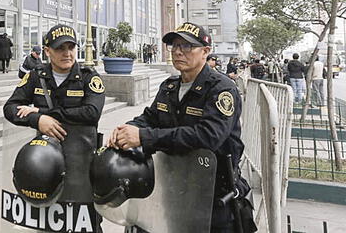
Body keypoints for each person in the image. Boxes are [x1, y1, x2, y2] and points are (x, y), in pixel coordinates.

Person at [107, 22, 256, 232]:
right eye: (174, 46)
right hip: (172, 188)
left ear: (205, 52)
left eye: (187, 46)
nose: (178, 51)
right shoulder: (169, 87)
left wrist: (144, 137)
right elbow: (150, 117)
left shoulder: (221, 90)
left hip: (213, 194)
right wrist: (127, 129)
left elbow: (208, 137)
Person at [4, 24, 106, 230]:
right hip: (44, 163)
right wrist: (36, 121)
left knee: (84, 221)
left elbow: (91, 112)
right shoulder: (36, 76)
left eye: (71, 47)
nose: (67, 53)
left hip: (81, 164)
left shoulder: (88, 77)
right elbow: (10, 108)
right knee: (47, 219)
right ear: (47, 51)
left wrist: (43, 115)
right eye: (60, 48)